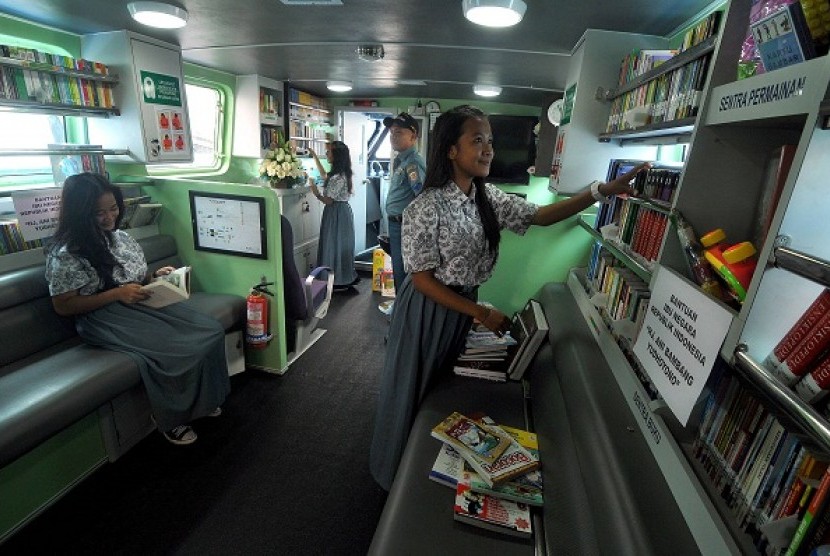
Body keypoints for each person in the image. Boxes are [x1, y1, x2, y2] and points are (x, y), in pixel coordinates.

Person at [369, 105, 648, 490]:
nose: (488, 150)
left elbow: (542, 216)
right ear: (451, 150)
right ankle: (393, 475)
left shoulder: (487, 198)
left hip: (461, 308)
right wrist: (480, 313)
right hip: (428, 312)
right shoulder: (426, 206)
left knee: (443, 392)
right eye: (477, 140)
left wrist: (600, 191)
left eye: (491, 142)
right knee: (413, 390)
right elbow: (422, 282)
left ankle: (424, 474)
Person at [45, 173, 231, 446]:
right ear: (80, 213)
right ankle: (171, 417)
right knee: (177, 348)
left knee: (211, 331)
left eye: (113, 209)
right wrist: (116, 294)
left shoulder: (118, 238)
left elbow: (133, 279)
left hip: (137, 301)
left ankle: (203, 402)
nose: (110, 217)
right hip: (103, 317)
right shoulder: (65, 253)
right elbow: (64, 305)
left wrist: (156, 277)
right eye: (99, 213)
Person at [382, 112, 426, 298]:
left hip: (404, 226)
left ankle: (403, 315)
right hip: (397, 224)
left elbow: (422, 198)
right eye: (391, 132)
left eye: (398, 132)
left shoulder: (413, 163)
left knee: (402, 271)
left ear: (413, 136)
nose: (393, 136)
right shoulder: (403, 161)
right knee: (398, 269)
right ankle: (401, 309)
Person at [308, 141, 359, 289]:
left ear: (336, 155)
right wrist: (315, 157)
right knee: (338, 244)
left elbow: (328, 200)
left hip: (336, 212)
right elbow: (325, 175)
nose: (327, 155)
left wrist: (315, 191)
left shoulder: (339, 177)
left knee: (333, 244)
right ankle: (341, 277)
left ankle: (336, 280)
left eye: (328, 152)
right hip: (340, 212)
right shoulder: (340, 173)